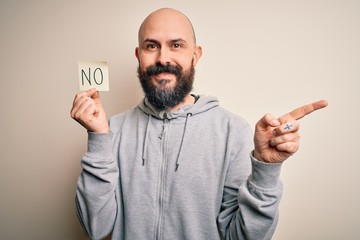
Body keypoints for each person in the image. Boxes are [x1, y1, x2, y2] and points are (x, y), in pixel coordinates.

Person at [70, 8, 328, 240]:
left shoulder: (231, 131)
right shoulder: (112, 130)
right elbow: (97, 227)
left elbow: (244, 237)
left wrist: (266, 171)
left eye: (176, 45)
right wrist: (99, 138)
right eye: (151, 46)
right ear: (139, 56)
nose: (163, 58)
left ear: (196, 55)